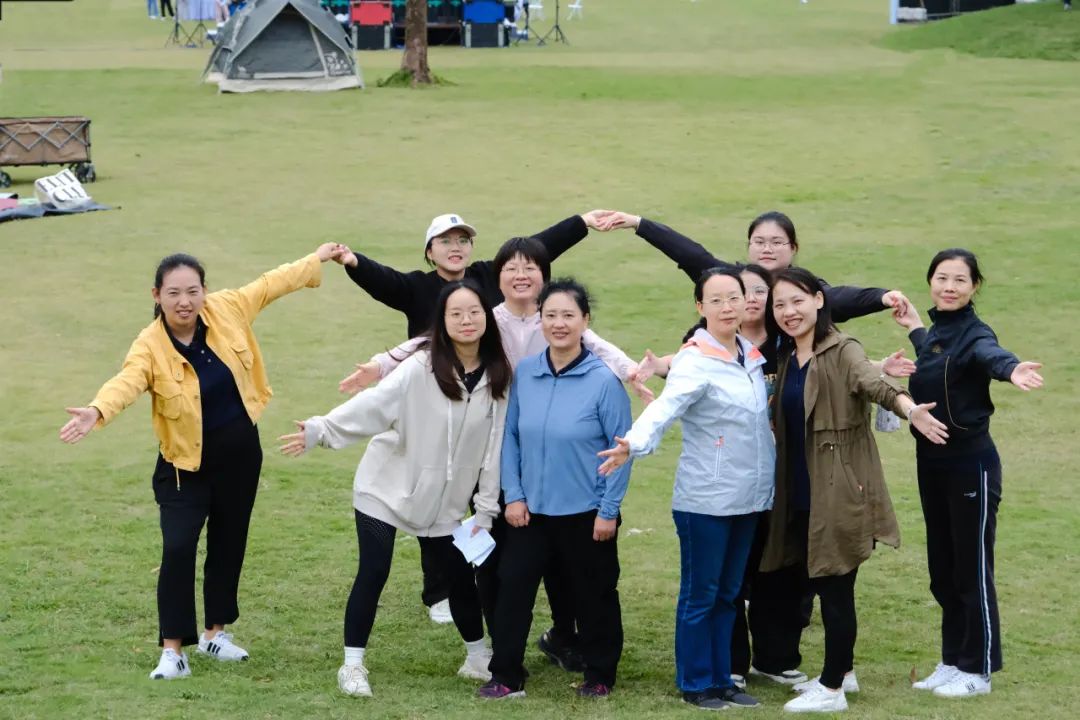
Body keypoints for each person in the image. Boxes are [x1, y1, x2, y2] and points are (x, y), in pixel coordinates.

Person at [339, 236, 649, 672]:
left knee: (558, 558)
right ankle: (497, 649)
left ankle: (563, 635)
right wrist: (380, 364)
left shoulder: (555, 317)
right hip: (488, 458)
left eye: (530, 268)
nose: (521, 276)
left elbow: (599, 348)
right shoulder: (490, 320)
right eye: (511, 268)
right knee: (491, 556)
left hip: (547, 460)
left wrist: (633, 372)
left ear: (543, 277)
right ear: (496, 278)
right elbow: (430, 341)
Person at [58, 244, 349, 680]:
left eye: (192, 291)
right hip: (183, 468)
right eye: (173, 293)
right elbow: (128, 381)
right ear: (156, 295)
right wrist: (97, 409)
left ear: (204, 291)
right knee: (178, 548)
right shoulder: (149, 345)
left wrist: (316, 259)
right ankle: (173, 651)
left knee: (229, 543)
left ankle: (216, 633)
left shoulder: (226, 309)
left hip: (240, 457)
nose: (184, 302)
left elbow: (270, 284)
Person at [279, 281, 512, 698]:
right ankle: (352, 666)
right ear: (442, 321)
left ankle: (478, 658)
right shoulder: (420, 367)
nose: (466, 320)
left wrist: (485, 510)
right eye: (456, 313)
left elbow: (493, 452)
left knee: (460, 577)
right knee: (375, 570)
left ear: (487, 317)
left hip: (444, 504)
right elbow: (373, 405)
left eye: (474, 311)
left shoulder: (498, 377)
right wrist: (321, 429)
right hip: (383, 490)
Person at [759, 267, 948, 713]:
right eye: (780, 304)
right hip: (801, 487)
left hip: (839, 487)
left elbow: (874, 384)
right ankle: (842, 673)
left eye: (797, 301)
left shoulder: (843, 349)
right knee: (820, 582)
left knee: (835, 587)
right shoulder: (788, 356)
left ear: (819, 300)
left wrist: (909, 410)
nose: (788, 311)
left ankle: (831, 691)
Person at [597, 268, 774, 710]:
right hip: (706, 500)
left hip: (749, 497)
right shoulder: (695, 361)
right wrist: (633, 443)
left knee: (729, 595)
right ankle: (696, 682)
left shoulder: (750, 355)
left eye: (734, 297)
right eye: (716, 300)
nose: (727, 307)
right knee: (702, 594)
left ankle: (723, 679)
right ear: (700, 307)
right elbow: (666, 409)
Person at [893, 249, 1043, 699]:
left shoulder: (976, 332)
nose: (949, 287)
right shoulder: (939, 331)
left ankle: (978, 669)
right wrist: (914, 326)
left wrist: (1011, 369)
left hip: (969, 465)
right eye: (942, 278)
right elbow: (936, 355)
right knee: (943, 569)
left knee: (971, 569)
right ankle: (953, 659)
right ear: (930, 281)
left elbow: (987, 355)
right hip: (931, 463)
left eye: (960, 280)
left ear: (975, 286)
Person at [478, 279, 633, 700]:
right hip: (529, 513)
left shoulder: (604, 381)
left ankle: (599, 672)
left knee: (595, 595)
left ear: (585, 321)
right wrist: (514, 495)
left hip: (587, 513)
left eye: (569, 315)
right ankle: (506, 674)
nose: (559, 323)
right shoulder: (526, 372)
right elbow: (511, 436)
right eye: (550, 315)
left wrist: (608, 511)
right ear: (540, 319)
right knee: (512, 589)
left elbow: (621, 451)